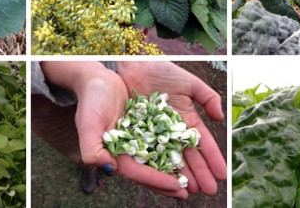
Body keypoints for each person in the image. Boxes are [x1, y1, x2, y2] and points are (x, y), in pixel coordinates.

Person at [32, 61, 227, 199]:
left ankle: (99, 162)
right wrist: (86, 73)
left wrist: (129, 60)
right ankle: (89, 168)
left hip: (118, 77)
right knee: (80, 148)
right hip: (46, 100)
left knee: (97, 140)